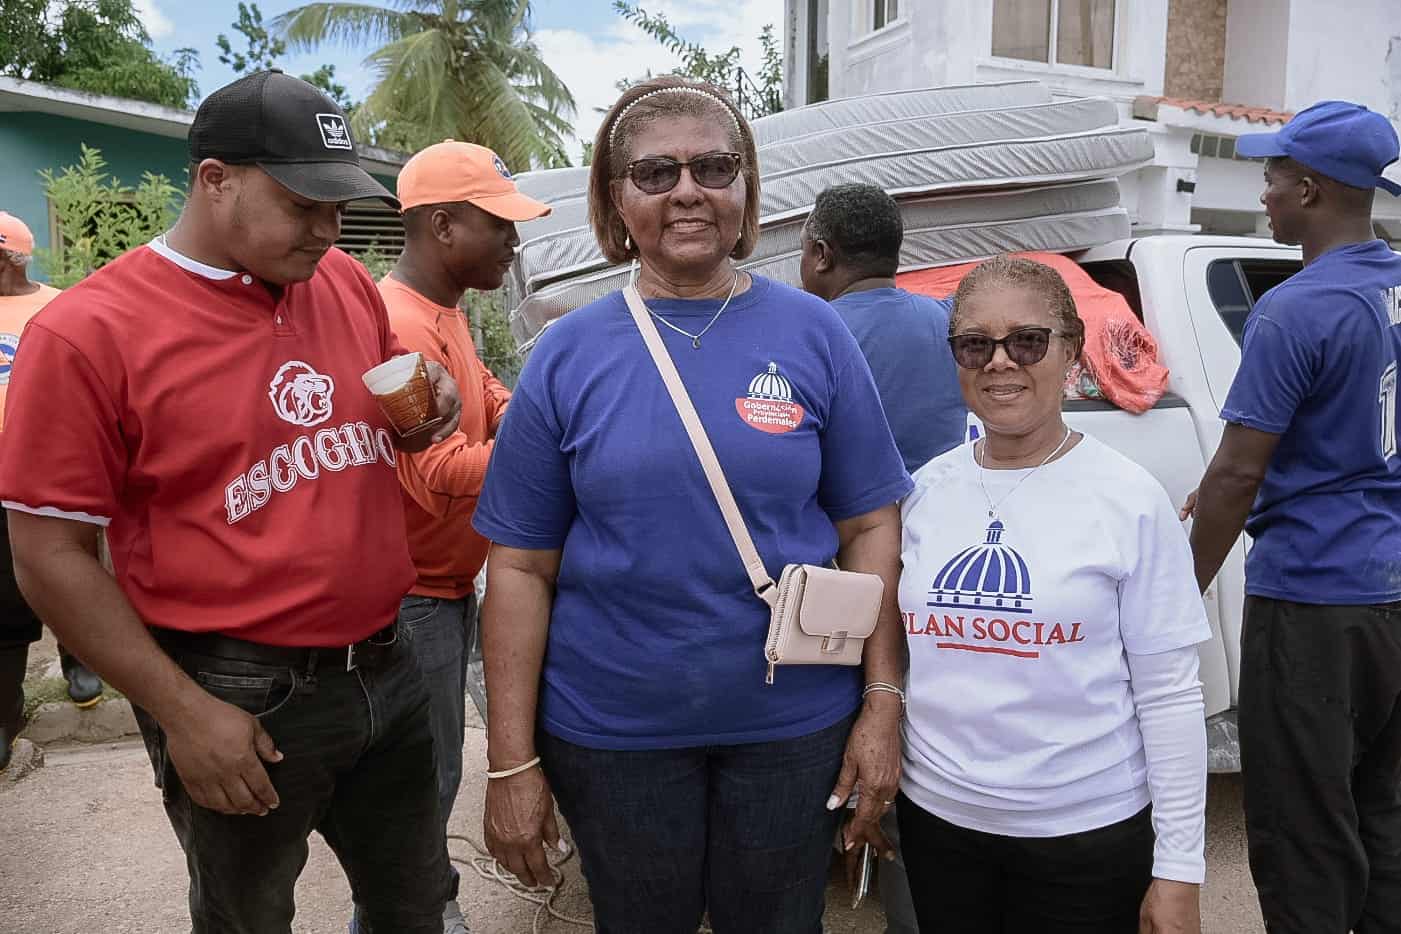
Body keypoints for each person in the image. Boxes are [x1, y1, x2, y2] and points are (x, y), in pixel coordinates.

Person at [0, 71, 465, 933]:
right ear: (215, 180)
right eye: (304, 205)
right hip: (235, 691)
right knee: (246, 919)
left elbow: (364, 431)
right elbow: (48, 557)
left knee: (414, 904)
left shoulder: (343, 287)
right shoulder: (88, 333)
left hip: (387, 665)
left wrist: (424, 408)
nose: (330, 231)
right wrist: (182, 712)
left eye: (339, 206)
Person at [472, 76, 912, 934]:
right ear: (613, 198)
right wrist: (509, 763)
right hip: (613, 733)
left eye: (713, 166)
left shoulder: (814, 332)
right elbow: (519, 565)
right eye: (654, 173)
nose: (686, 190)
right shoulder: (566, 355)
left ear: (745, 187)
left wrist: (881, 703)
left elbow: (870, 524)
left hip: (792, 727)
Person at [898, 255, 1210, 933]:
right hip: (939, 826)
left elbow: (1169, 693)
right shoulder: (924, 490)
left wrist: (1178, 868)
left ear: (1069, 354)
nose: (999, 362)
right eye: (974, 344)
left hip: (1084, 838)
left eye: (1027, 341)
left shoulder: (1127, 498)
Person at [1188, 101, 1401, 933]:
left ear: (1308, 190)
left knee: (1302, 830)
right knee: (1379, 814)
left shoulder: (1295, 309)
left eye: (1271, 176)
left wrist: (1180, 590)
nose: (1263, 192)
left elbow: (1237, 469)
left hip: (1315, 601)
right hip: (1388, 597)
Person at [354, 140, 549, 934]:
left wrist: (526, 413)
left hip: (444, 584)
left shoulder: (443, 311)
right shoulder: (398, 321)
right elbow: (435, 468)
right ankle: (416, 916)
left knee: (430, 775)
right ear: (442, 225)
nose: (513, 241)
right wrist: (554, 456)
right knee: (419, 786)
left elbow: (483, 389)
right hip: (414, 599)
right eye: (498, 225)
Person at [799, 182, 965, 932]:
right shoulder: (944, 324)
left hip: (837, 586)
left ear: (820, 253)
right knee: (907, 728)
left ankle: (831, 845)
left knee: (839, 732)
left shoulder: (808, 334)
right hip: (935, 574)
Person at [0, 211, 101, 770]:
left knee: (70, 571)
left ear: (7, 256)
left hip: (54, 472)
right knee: (3, 596)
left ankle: (78, 663)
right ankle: (4, 711)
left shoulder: (61, 306)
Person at [800, 183, 967, 474]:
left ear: (822, 255)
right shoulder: (953, 323)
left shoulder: (806, 336)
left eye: (802, 251)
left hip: (849, 517)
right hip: (939, 507)